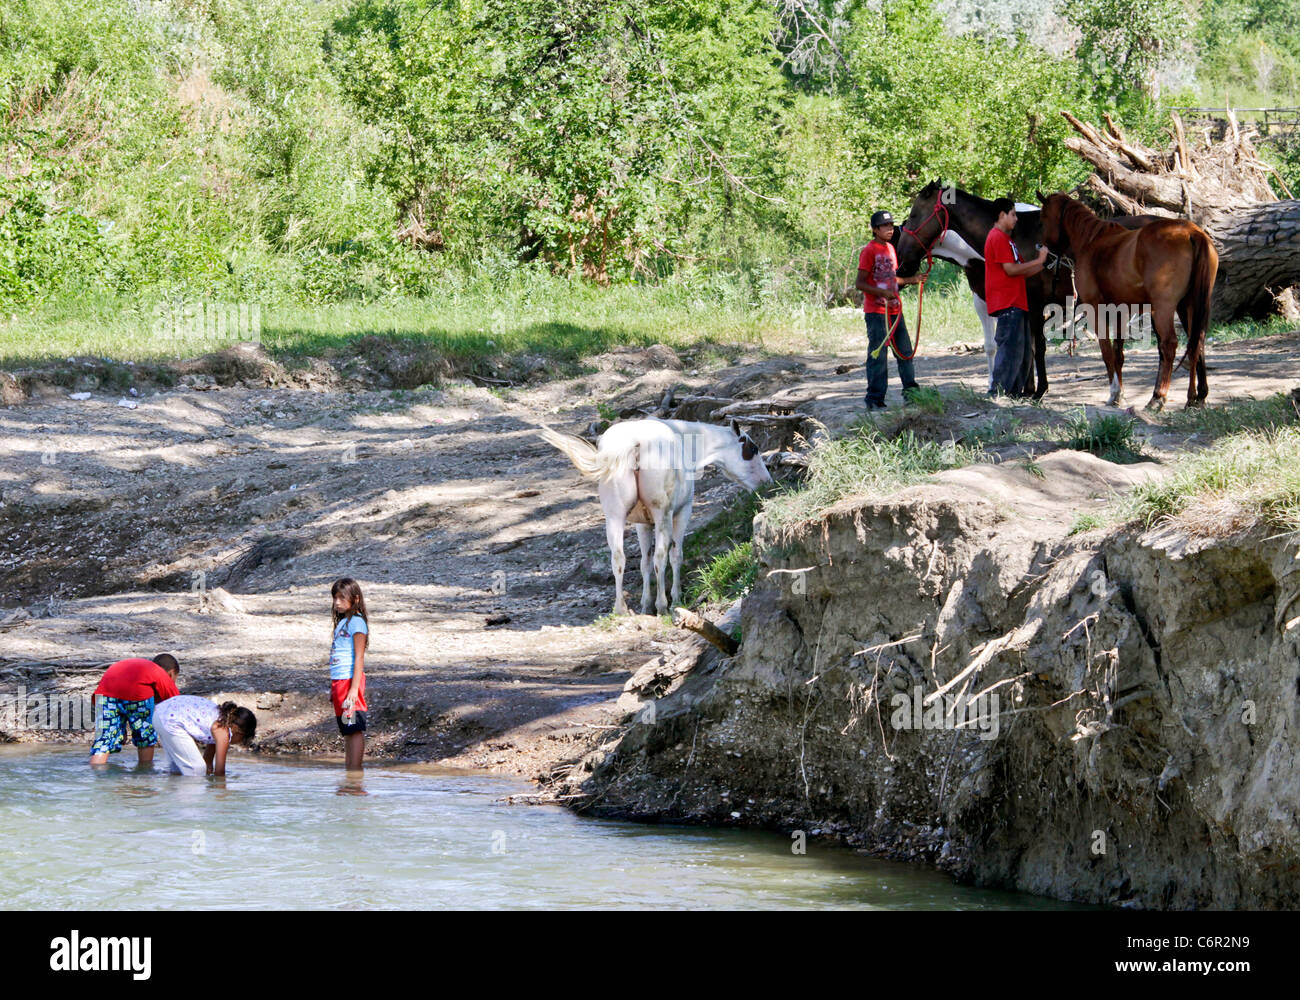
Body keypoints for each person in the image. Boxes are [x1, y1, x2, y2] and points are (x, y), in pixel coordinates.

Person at [856, 210, 924, 410]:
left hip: (895, 311)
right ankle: (875, 399)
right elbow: (860, 283)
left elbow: (890, 278)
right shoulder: (869, 251)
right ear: (875, 229)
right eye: (885, 226)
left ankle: (912, 394)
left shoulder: (890, 250)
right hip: (877, 312)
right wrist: (880, 293)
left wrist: (913, 280)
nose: (889, 229)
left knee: (905, 353)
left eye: (891, 225)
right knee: (878, 355)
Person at [983, 199, 1048, 396]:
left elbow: (1020, 272)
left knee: (1022, 352)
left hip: (1017, 302)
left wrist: (1042, 264)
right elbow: (1011, 270)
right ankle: (998, 393)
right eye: (1013, 214)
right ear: (1001, 215)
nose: (1016, 219)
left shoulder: (1008, 240)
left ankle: (1013, 393)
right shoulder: (998, 238)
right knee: (1009, 349)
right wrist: (1039, 260)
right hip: (1007, 302)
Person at [88, 654, 181, 766]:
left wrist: (120, 727)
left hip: (104, 694)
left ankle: (96, 777)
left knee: (103, 740)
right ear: (171, 673)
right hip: (136, 693)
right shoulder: (159, 673)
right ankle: (145, 776)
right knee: (145, 738)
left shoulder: (132, 665)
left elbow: (119, 698)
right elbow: (177, 704)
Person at [151, 695, 256, 776]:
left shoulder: (221, 719)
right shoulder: (223, 732)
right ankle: (191, 802)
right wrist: (222, 796)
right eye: (242, 739)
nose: (237, 742)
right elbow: (220, 772)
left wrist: (208, 771)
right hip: (170, 720)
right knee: (197, 769)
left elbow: (208, 763)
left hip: (161, 714)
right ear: (238, 731)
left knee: (178, 769)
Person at [328, 578, 369, 771]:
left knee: (354, 728)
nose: (336, 602)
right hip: (339, 682)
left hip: (349, 681)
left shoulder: (358, 623)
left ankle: (355, 771)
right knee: (347, 727)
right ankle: (349, 771)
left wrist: (353, 689)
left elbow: (359, 657)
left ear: (355, 599)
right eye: (334, 597)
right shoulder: (343, 623)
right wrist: (334, 689)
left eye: (341, 598)